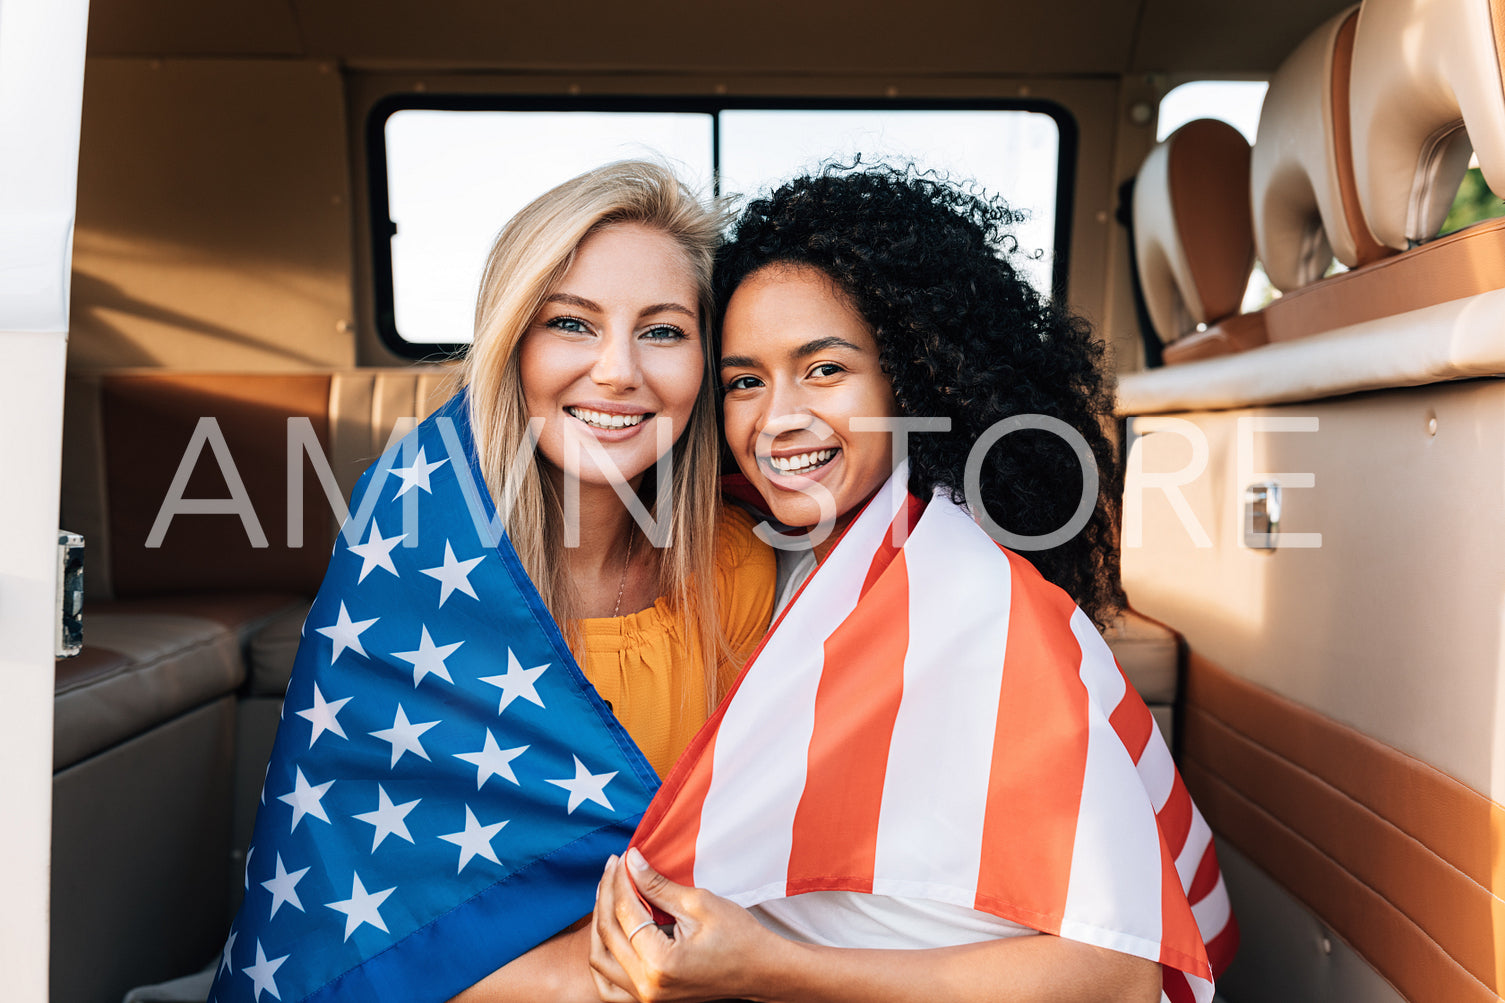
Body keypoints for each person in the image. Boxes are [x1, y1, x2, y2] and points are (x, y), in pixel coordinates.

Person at [589, 166, 1235, 1002]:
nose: (777, 416)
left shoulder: (975, 605)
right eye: (745, 381)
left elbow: (1118, 976)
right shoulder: (781, 552)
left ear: (911, 378)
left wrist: (763, 965)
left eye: (824, 370)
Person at [209, 161, 774, 1003]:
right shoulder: (406, 546)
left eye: (661, 330)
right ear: (512, 342)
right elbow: (351, 914)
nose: (618, 371)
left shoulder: (736, 565)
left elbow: (757, 862)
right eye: (571, 323)